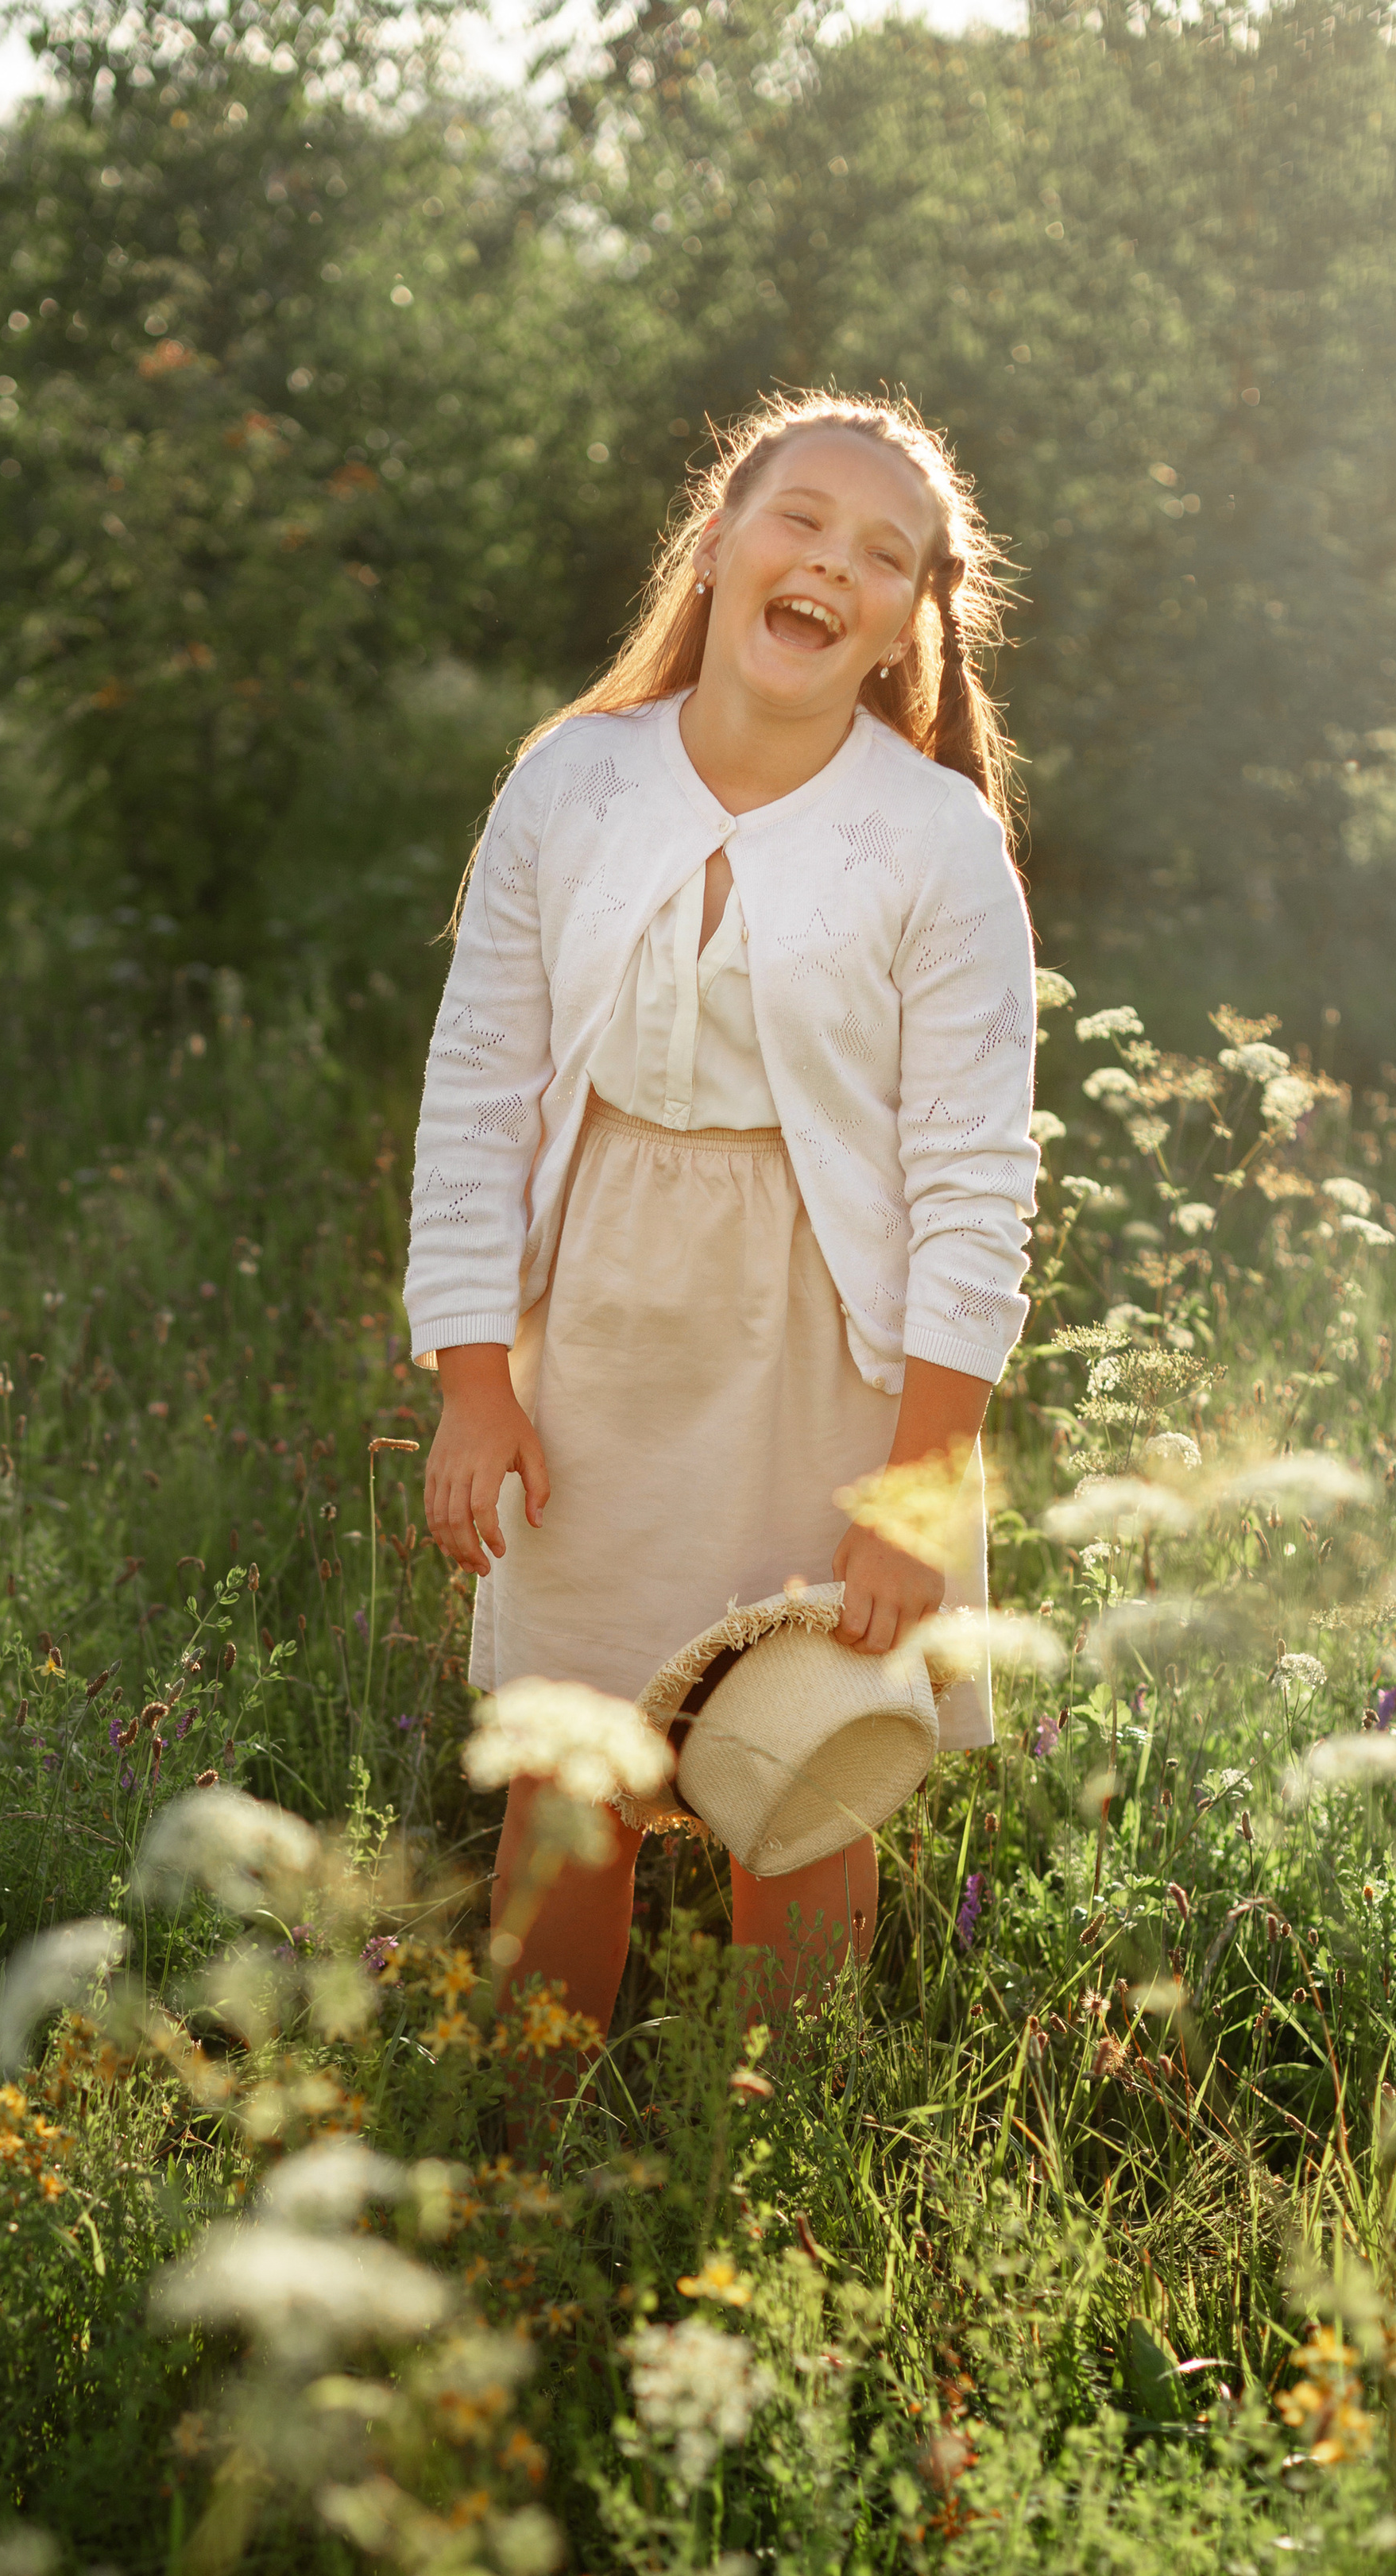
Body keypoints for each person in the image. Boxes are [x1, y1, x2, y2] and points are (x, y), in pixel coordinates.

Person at [404, 390, 1039, 2043]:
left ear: (908, 618)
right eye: (798, 520)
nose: (829, 563)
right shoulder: (573, 780)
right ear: (716, 542)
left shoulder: (935, 839)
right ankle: (532, 2130)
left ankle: (774, 2143)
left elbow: (974, 1180)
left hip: (827, 1350)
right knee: (568, 1773)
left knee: (799, 1776)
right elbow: (477, 1087)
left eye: (880, 554)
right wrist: (474, 1376)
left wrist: (915, 1493)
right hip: (602, 1327)